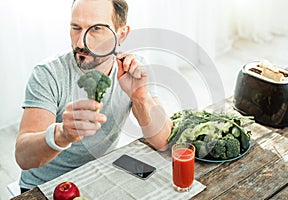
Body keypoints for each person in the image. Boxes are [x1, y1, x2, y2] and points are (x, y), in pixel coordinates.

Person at [15, 0, 172, 192]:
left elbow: (163, 141)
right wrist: (62, 134)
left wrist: (140, 97)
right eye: (75, 27)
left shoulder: (134, 69)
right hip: (47, 186)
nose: (81, 42)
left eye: (96, 29)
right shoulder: (48, 74)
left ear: (121, 34)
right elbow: (24, 158)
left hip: (100, 173)